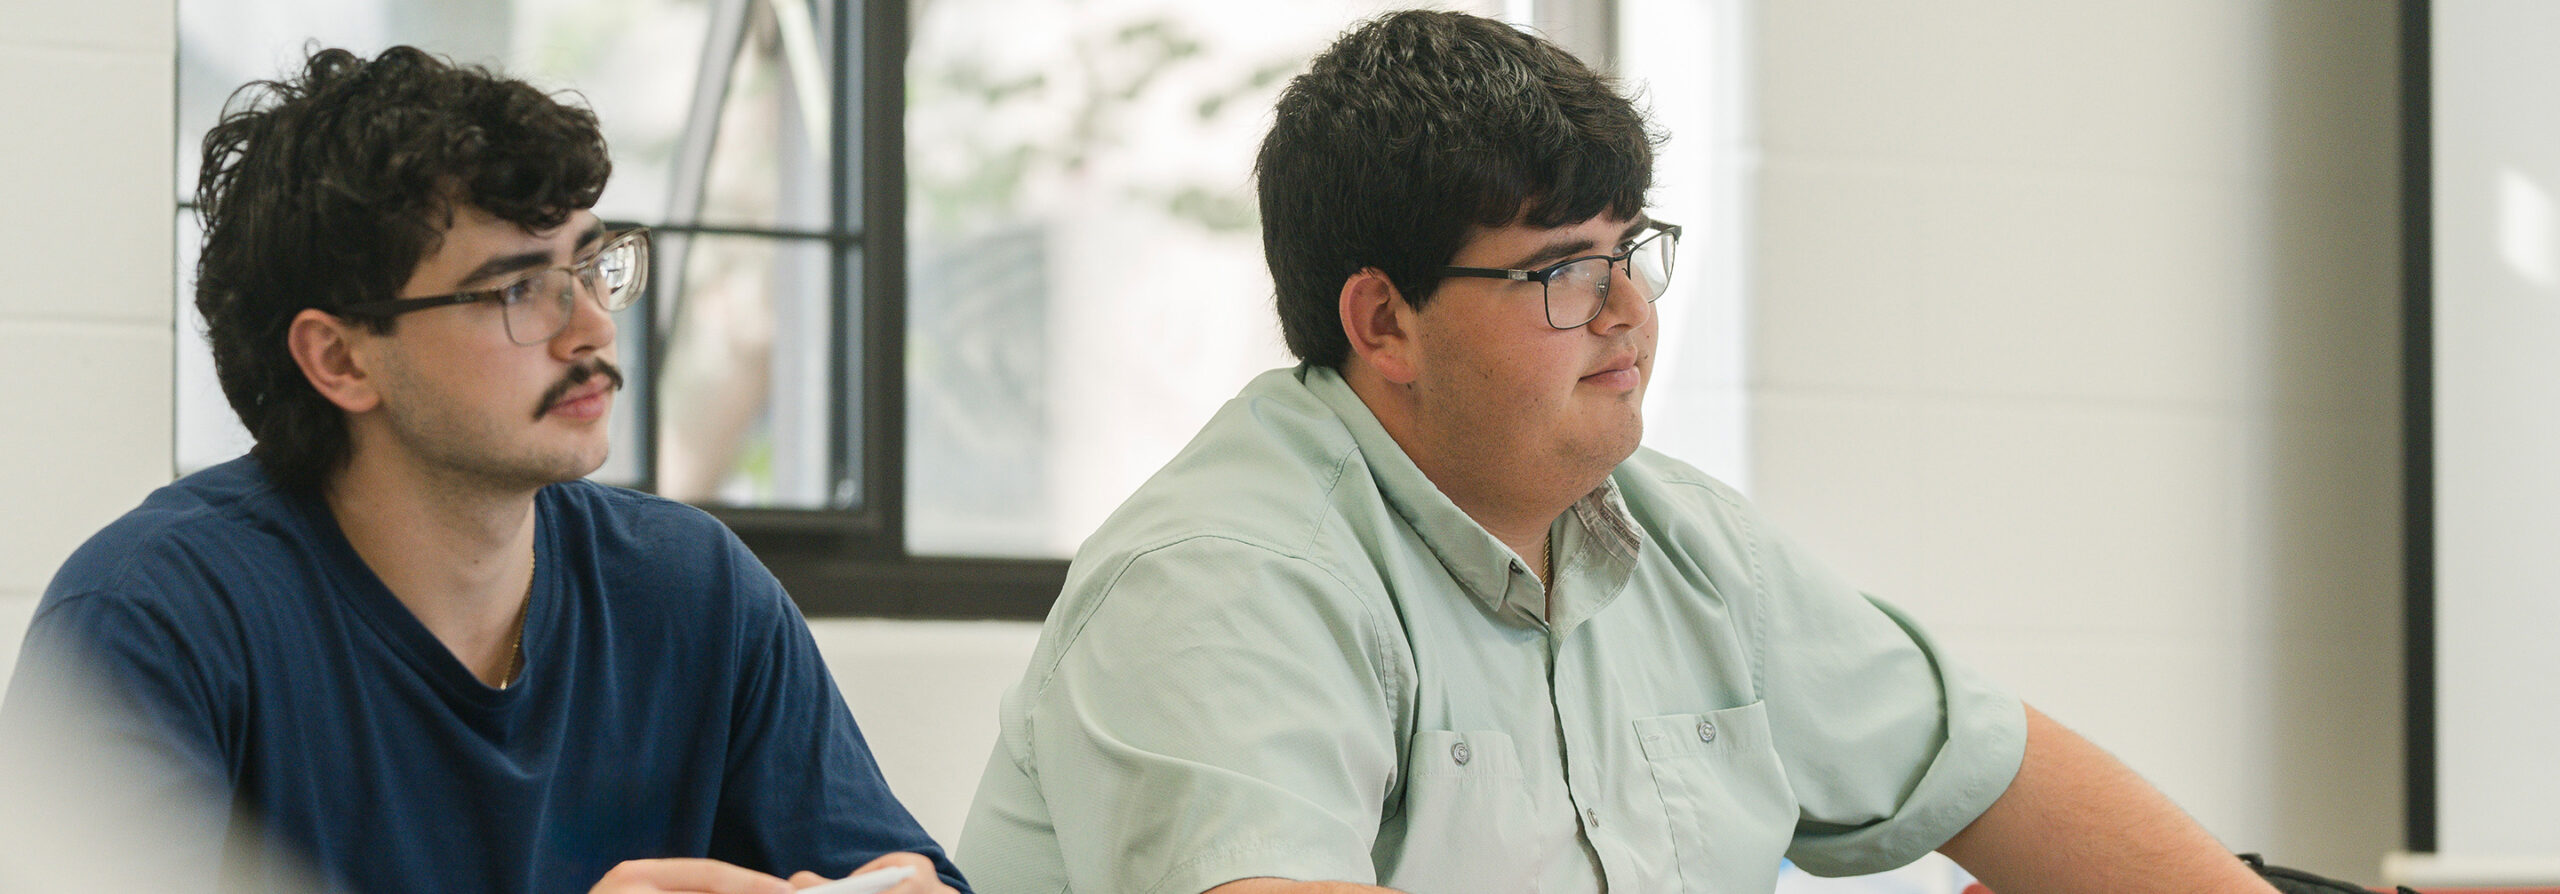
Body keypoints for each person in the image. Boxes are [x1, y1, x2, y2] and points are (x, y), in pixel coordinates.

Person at [955, 11, 2276, 894]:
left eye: (1629, 249)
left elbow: (1998, 775)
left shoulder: (1685, 542)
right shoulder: (1224, 580)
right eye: (1559, 270)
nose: (1627, 307)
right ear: (1383, 320)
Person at [0, 46, 963, 894]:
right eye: (518, 290)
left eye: (591, 267)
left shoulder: (694, 592)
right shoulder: (151, 622)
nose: (591, 327)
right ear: (340, 359)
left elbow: (881, 872)